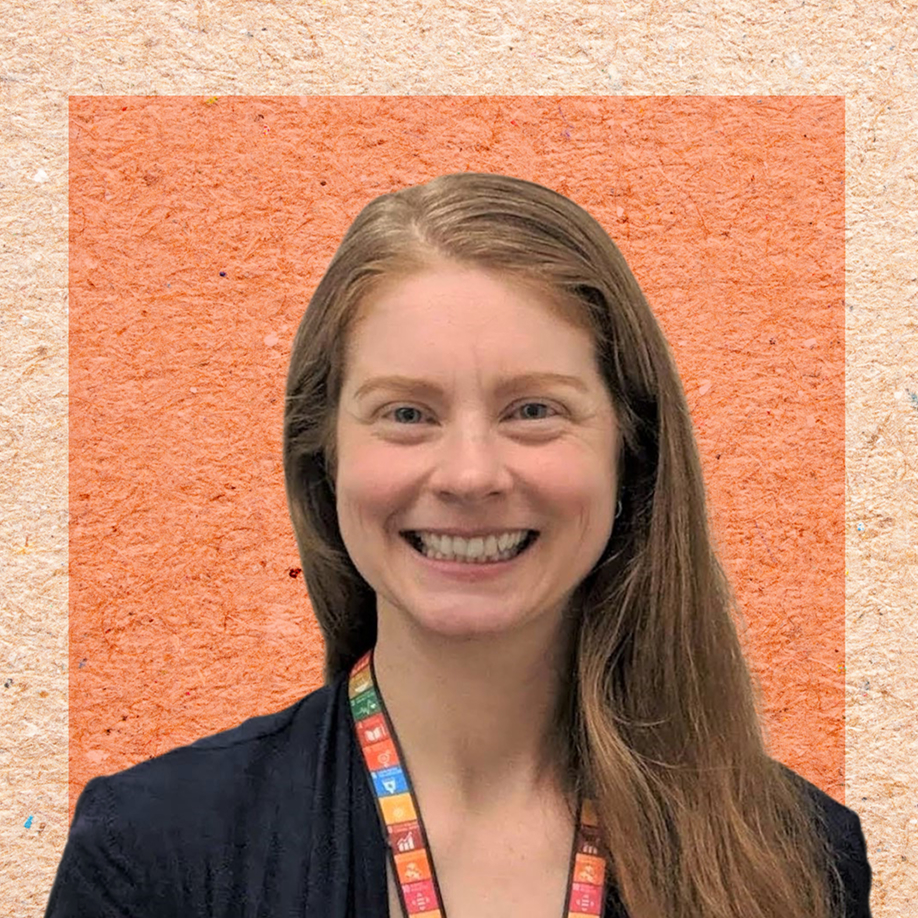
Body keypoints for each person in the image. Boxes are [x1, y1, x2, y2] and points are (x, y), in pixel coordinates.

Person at [44, 172, 872, 918]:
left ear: (633, 449)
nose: (471, 474)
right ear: (322, 457)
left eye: (534, 409)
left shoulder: (802, 858)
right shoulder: (154, 852)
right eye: (407, 413)